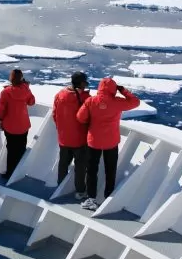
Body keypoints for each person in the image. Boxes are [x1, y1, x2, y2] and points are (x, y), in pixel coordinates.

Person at [75, 77, 141, 210]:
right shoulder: (117, 102)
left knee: (92, 171)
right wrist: (123, 91)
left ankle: (91, 199)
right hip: (111, 142)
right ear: (113, 89)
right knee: (110, 170)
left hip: (94, 141)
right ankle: (107, 198)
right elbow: (135, 102)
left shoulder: (91, 101)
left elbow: (80, 118)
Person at [53, 71, 92, 200]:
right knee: (80, 167)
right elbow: (88, 118)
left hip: (64, 138)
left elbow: (55, 114)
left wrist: (62, 128)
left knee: (63, 164)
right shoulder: (85, 98)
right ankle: (80, 191)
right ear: (81, 83)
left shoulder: (60, 95)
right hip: (79, 140)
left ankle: (60, 187)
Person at [0, 69, 35, 181]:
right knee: (21, 149)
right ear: (21, 78)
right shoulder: (26, 90)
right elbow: (31, 102)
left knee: (11, 150)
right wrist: (27, 87)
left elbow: (1, 108)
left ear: (11, 79)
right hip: (23, 126)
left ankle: (9, 173)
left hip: (10, 126)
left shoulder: (6, 92)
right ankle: (18, 173)